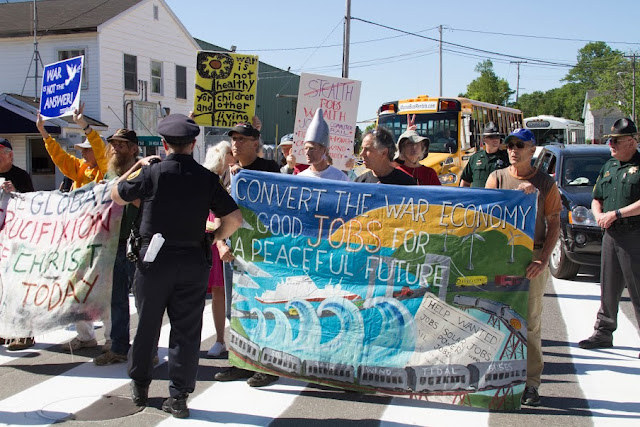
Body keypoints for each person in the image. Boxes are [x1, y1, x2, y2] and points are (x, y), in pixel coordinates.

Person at [111, 114, 242, 418]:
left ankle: (140, 386)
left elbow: (116, 194)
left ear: (164, 144)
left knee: (147, 325)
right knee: (186, 330)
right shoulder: (206, 178)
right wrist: (213, 238)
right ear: (194, 144)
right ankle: (179, 397)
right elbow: (234, 219)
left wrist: (137, 166)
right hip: (192, 261)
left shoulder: (151, 173)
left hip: (153, 262)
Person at [485, 128, 561, 407]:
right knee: (493, 316)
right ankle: (495, 378)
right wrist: (512, 197)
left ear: (532, 150)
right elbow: (485, 213)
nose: (513, 150)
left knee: (529, 322)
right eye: (510, 145)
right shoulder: (497, 178)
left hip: (532, 257)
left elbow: (554, 223)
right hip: (501, 256)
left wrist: (543, 259)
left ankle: (531, 383)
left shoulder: (545, 183)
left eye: (520, 145)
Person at [214, 122, 281, 388]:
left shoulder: (270, 169)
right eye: (233, 139)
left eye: (242, 139)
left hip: (262, 252)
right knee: (236, 309)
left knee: (263, 307)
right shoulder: (227, 174)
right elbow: (218, 212)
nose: (236, 143)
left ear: (256, 143)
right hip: (234, 252)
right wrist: (221, 244)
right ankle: (242, 361)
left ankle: (267, 365)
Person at [37, 103, 108, 351]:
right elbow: (61, 159)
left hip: (102, 239)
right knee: (78, 290)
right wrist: (44, 133)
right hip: (79, 239)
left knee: (104, 290)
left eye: (87, 150)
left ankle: (112, 339)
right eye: (83, 151)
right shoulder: (81, 169)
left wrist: (84, 126)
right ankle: (86, 336)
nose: (84, 154)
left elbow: (101, 151)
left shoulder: (106, 172)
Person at [578, 118, 640, 359]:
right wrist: (598, 215)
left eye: (616, 141)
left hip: (634, 234)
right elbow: (597, 197)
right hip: (611, 235)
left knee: (637, 289)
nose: (610, 145)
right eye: (610, 141)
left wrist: (616, 214)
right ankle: (603, 333)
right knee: (608, 287)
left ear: (631, 142)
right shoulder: (609, 166)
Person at [93, 129, 140, 365]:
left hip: (138, 244)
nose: (115, 149)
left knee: (143, 300)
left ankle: (147, 350)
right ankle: (119, 347)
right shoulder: (109, 173)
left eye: (121, 145)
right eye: (113, 144)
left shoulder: (143, 172)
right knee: (117, 299)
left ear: (133, 148)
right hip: (113, 243)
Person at [0, 138, 36, 351]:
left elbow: (33, 205)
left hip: (18, 240)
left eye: (0, 153)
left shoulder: (21, 176)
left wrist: (15, 192)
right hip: (1, 239)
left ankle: (25, 333)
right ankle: (4, 330)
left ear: (10, 155)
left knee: (20, 288)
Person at [202, 142, 237, 357]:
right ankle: (220, 339)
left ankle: (240, 343)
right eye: (229, 153)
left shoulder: (239, 175)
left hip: (233, 237)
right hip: (214, 238)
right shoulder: (209, 179)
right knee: (217, 291)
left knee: (237, 293)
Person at [297, 109, 349, 182]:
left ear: (324, 150)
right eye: (305, 148)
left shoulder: (340, 178)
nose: (307, 153)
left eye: (312, 149)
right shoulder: (300, 178)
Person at [460, 122, 509, 188]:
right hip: (478, 194)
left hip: (498, 194)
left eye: (497, 136)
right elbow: (465, 182)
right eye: (491, 137)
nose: (495, 139)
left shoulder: (506, 158)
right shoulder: (475, 158)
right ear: (484, 139)